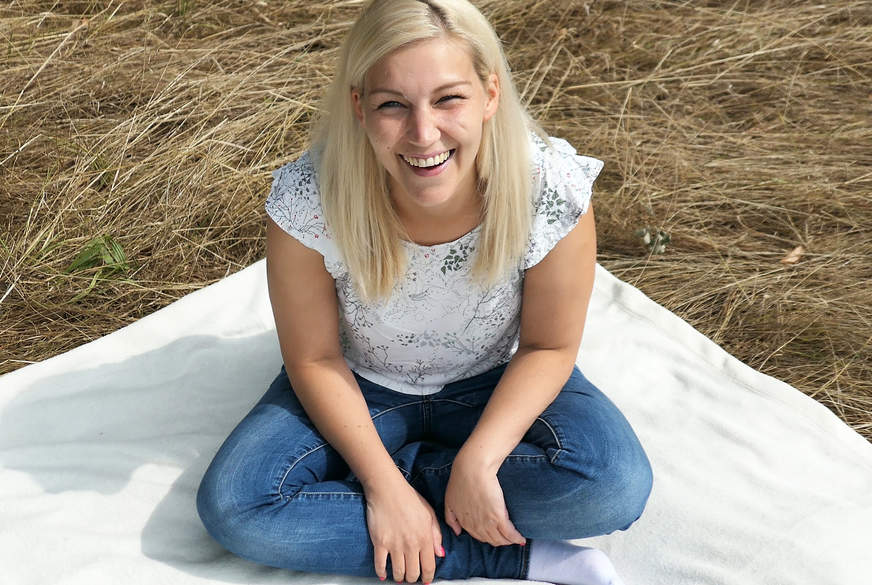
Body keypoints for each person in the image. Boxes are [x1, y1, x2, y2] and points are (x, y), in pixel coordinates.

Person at [196, 1, 652, 584]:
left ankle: (419, 488)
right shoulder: (308, 198)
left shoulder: (550, 189)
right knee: (238, 508)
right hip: (358, 385)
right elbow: (314, 357)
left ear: (489, 94)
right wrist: (384, 488)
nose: (423, 133)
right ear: (359, 106)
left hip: (493, 380)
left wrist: (480, 460)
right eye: (393, 104)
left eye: (448, 99)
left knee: (612, 486)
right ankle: (502, 553)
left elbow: (549, 347)